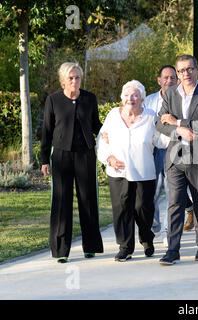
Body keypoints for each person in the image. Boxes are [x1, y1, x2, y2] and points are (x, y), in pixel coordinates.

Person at [156, 54, 198, 265]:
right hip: (175, 157)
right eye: (181, 71)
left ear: (197, 69)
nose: (186, 74)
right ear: (177, 73)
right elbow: (159, 124)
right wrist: (182, 130)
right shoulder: (170, 93)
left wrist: (177, 121)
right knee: (175, 203)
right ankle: (173, 250)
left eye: (190, 69)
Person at [97, 80, 168, 262]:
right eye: (128, 95)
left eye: (135, 95)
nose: (131, 98)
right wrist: (109, 158)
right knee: (121, 209)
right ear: (122, 98)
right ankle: (125, 247)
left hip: (144, 172)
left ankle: (146, 237)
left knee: (143, 208)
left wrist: (174, 132)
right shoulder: (113, 115)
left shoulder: (151, 116)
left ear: (142, 99)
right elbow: (102, 141)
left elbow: (161, 141)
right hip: (118, 172)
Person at [41, 62, 103, 263]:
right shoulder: (53, 100)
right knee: (61, 202)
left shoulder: (89, 98)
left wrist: (111, 134)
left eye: (77, 77)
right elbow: (46, 132)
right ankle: (60, 250)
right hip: (61, 156)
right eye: (70, 78)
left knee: (88, 199)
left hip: (85, 154)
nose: (74, 81)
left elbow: (97, 126)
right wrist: (44, 160)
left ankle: (91, 246)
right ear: (63, 80)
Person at [144, 65, 195, 248]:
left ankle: (169, 231)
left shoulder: (183, 99)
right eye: (165, 78)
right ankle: (155, 224)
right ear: (159, 80)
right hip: (155, 151)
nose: (169, 81)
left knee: (173, 193)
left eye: (173, 78)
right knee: (154, 192)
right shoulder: (148, 101)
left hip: (176, 149)